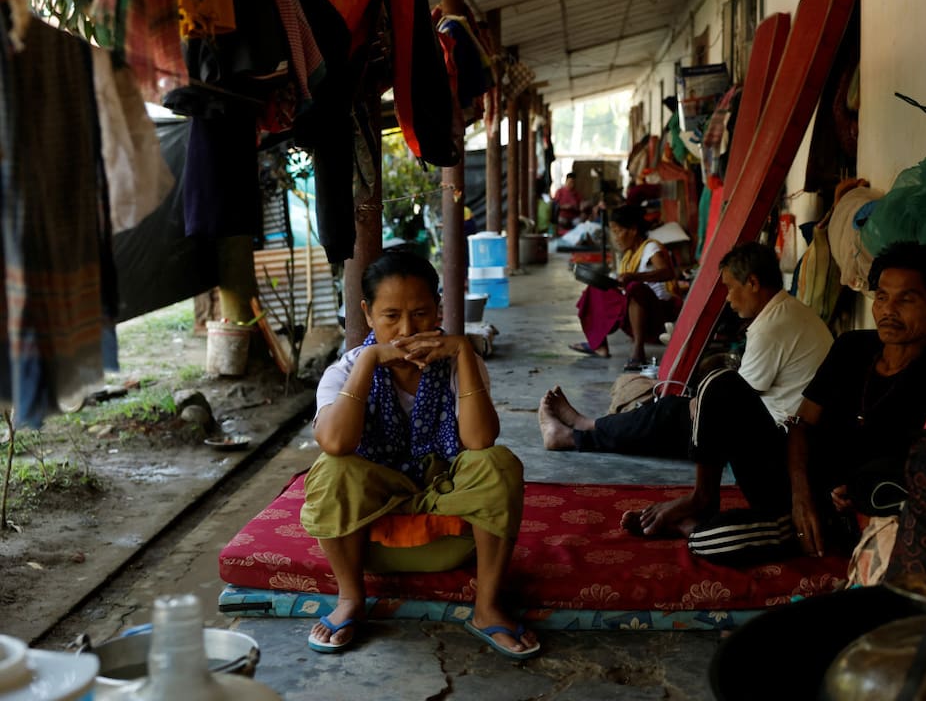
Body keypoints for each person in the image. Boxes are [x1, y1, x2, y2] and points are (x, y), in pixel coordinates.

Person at [300, 249, 539, 660]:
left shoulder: (460, 363)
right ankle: (352, 598)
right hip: (369, 533)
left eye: (422, 313)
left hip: (449, 520)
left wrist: (463, 353)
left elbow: (480, 441)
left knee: (498, 464)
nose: (407, 329)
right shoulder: (345, 370)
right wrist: (370, 358)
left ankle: (486, 608)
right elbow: (336, 443)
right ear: (367, 313)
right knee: (331, 468)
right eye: (391, 316)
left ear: (440, 310)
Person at [545, 242, 835, 562]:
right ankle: (585, 429)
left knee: (675, 411)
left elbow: (732, 397)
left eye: (729, 287)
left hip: (781, 454)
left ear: (753, 283)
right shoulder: (788, 312)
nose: (727, 297)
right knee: (678, 410)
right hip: (785, 442)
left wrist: (698, 405)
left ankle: (580, 434)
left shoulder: (773, 325)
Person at [787, 241, 926, 558]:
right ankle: (789, 521)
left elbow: (920, 476)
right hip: (804, 486)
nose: (888, 310)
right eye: (881, 296)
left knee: (720, 538)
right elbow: (800, 424)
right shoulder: (850, 347)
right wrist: (801, 497)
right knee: (721, 386)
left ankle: (797, 529)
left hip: (865, 509)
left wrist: (855, 493)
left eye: (907, 299)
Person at [569, 204, 682, 370]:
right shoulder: (628, 256)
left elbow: (668, 273)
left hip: (658, 313)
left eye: (618, 231)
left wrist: (635, 277)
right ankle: (599, 345)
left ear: (633, 230)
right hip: (635, 311)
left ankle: (638, 350)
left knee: (635, 288)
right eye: (613, 232)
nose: (615, 237)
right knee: (594, 290)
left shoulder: (651, 248)